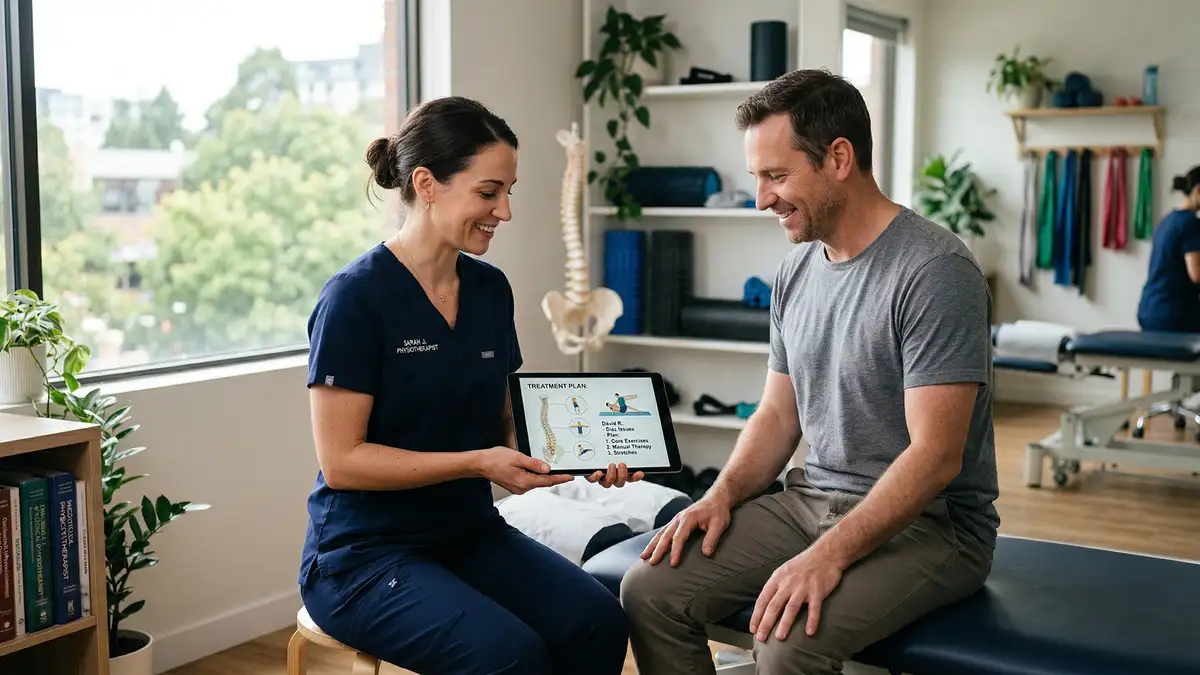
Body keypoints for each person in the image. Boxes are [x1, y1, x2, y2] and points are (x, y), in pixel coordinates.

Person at [619, 69, 999, 675]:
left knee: (788, 640)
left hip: (934, 526)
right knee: (649, 591)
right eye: (757, 178)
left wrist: (829, 555)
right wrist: (717, 497)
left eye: (777, 176)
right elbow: (777, 415)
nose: (762, 198)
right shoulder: (796, 271)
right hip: (811, 500)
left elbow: (936, 457)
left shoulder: (935, 271)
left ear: (839, 158)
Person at [298, 96, 640, 675]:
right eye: (488, 192)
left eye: (509, 191)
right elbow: (343, 463)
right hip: (363, 557)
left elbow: (506, 423)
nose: (504, 211)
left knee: (600, 620)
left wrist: (582, 452)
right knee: (509, 657)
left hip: (468, 534)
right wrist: (478, 464)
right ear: (426, 184)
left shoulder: (489, 289)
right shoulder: (355, 298)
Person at [1137, 166, 1200, 333]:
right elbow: (1196, 274)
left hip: (1149, 309)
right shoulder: (1191, 223)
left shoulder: (1168, 220)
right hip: (1172, 313)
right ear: (1198, 190)